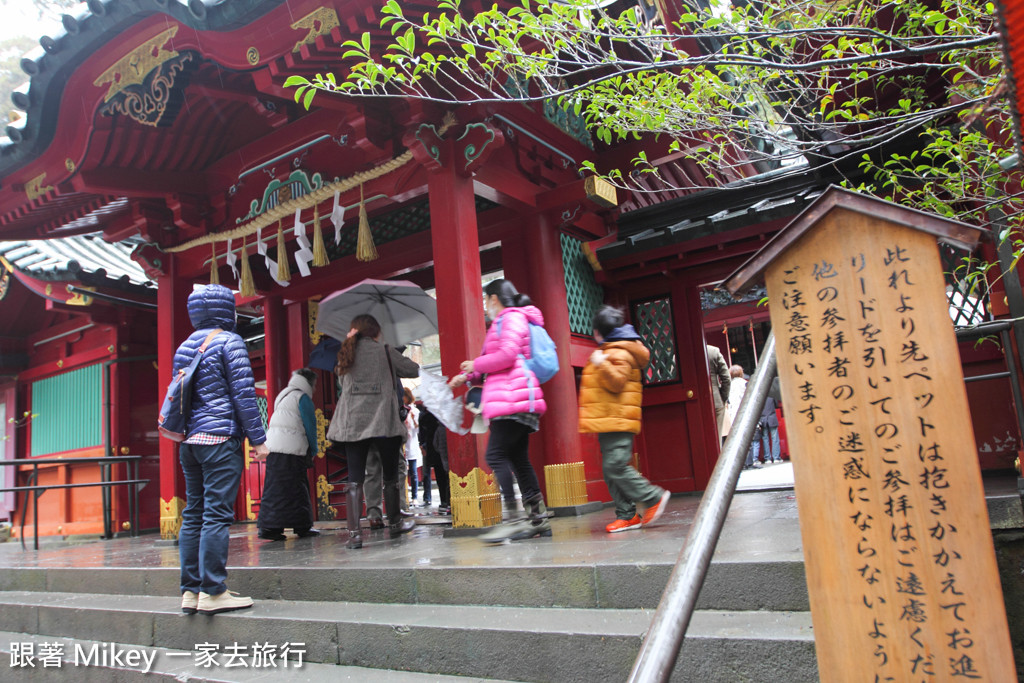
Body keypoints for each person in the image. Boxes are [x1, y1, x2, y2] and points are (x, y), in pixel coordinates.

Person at [174, 284, 268, 615]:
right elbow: (244, 397)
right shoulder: (231, 343)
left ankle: (191, 590)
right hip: (219, 440)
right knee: (215, 514)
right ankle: (214, 591)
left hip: (190, 443)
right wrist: (258, 440)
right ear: (226, 311)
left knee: (194, 514)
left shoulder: (184, 347)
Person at [449, 278, 551, 541]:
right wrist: (468, 376)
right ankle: (538, 519)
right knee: (518, 458)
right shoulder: (505, 321)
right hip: (513, 396)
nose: (485, 305)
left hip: (512, 398)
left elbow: (507, 355)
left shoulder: (511, 318)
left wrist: (475, 364)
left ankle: (514, 519)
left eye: (485, 300)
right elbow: (495, 364)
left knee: (495, 455)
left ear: (494, 298)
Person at [327, 314, 419, 549]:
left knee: (355, 479)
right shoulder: (385, 351)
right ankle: (396, 524)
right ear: (375, 332)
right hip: (383, 422)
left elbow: (342, 382)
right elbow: (413, 369)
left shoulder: (345, 352)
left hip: (353, 424)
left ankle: (355, 535)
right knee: (390, 475)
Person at [580, 306, 671, 533]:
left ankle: (653, 497)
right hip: (609, 420)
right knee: (611, 469)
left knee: (615, 465)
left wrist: (601, 364)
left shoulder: (618, 352)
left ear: (600, 331)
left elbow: (617, 382)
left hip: (618, 420)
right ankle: (627, 515)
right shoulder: (612, 349)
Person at [257, 368, 320, 541]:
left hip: (274, 448)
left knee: (274, 489)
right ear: (309, 383)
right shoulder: (302, 398)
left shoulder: (284, 395)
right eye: (314, 385)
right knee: (298, 488)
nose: (314, 389)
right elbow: (310, 426)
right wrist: (313, 449)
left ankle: (269, 528)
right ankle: (303, 527)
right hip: (292, 451)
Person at [707, 344, 731, 437]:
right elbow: (726, 378)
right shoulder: (713, 351)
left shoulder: (677, 355)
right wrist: (722, 398)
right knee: (716, 438)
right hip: (715, 399)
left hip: (691, 401)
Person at [403, 388, 421, 502]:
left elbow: (417, 430)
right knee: (402, 471)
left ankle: (414, 496)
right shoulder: (401, 410)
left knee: (413, 473)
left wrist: (414, 420)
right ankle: (404, 496)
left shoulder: (415, 411)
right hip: (403, 443)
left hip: (412, 443)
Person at [753, 394, 782, 464]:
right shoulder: (772, 395)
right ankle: (776, 457)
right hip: (772, 418)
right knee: (775, 439)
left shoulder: (759, 396)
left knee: (765, 440)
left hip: (763, 419)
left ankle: (767, 458)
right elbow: (776, 405)